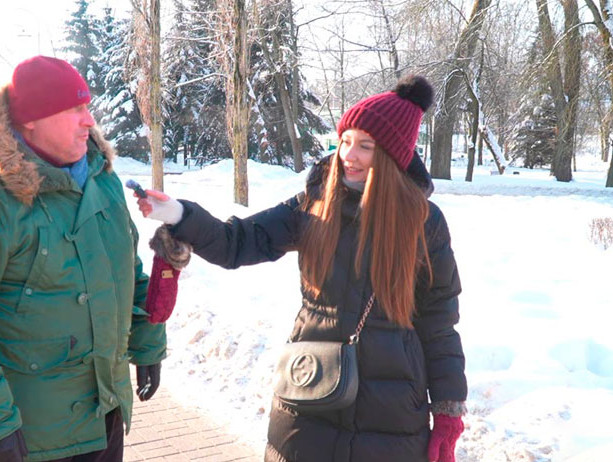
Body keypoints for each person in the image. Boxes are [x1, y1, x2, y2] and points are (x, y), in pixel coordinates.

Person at [135, 75, 467, 462]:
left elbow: (438, 320)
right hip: (309, 396)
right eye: (345, 141)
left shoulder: (423, 222)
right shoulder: (313, 204)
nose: (349, 155)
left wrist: (448, 411)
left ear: (393, 155)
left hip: (392, 413)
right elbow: (238, 242)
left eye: (366, 146)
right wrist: (179, 214)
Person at [0, 56, 167, 462]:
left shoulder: (102, 178)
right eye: (74, 109)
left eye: (87, 106)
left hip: (105, 415)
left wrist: (148, 342)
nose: (89, 121)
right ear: (30, 120)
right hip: (30, 437)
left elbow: (125, 271)